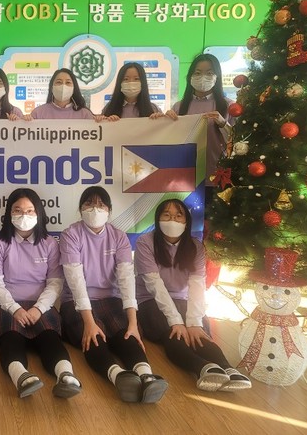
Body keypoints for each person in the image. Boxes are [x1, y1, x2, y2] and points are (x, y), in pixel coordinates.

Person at [59, 186, 168, 403]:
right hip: (77, 302)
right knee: (93, 337)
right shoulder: (70, 235)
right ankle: (118, 376)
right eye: (89, 204)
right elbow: (75, 281)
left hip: (111, 298)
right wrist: (89, 322)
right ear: (80, 209)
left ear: (109, 210)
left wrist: (133, 323)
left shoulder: (119, 237)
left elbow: (127, 279)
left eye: (101, 204)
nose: (95, 209)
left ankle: (146, 375)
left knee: (125, 333)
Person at [135, 198, 251, 391]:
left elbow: (197, 284)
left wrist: (194, 322)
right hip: (150, 300)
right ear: (157, 219)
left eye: (178, 216)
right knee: (174, 334)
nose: (172, 220)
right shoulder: (145, 242)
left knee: (199, 334)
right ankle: (203, 368)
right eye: (167, 215)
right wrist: (176, 321)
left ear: (186, 221)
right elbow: (154, 285)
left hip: (183, 299)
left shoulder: (196, 247)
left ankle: (228, 369)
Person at [0, 188, 81, 399]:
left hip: (40, 305)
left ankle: (66, 376)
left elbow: (55, 283)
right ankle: (21, 377)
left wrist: (39, 308)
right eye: (17, 210)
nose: (24, 215)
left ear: (39, 213)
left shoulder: (49, 243)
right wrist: (15, 309)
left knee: (50, 337)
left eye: (29, 210)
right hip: (6, 304)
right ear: (9, 213)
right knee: (11, 336)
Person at [165, 53, 234, 200]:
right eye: (197, 73)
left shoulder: (229, 106)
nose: (203, 77)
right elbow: (170, 141)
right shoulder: (179, 107)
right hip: (185, 177)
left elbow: (238, 142)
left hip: (217, 176)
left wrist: (223, 123)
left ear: (217, 76)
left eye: (209, 73)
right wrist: (165, 122)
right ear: (190, 76)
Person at [28, 69, 94, 120]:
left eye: (68, 82)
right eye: (59, 82)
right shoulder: (38, 113)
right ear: (52, 87)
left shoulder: (85, 114)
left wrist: (99, 121)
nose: (63, 86)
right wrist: (25, 121)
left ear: (74, 88)